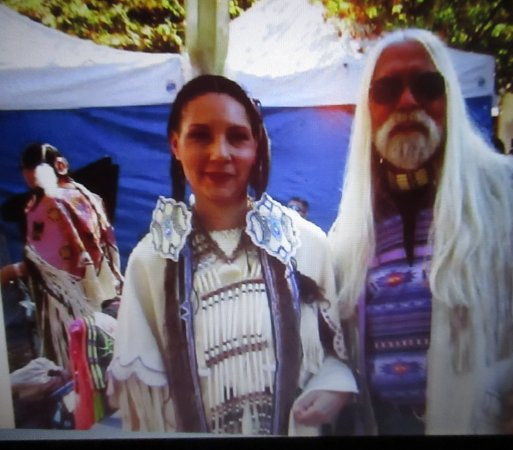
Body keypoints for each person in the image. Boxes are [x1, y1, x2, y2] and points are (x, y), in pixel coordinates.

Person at [328, 28, 513, 435]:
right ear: (369, 108)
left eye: (427, 86)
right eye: (386, 90)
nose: (407, 101)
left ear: (449, 98)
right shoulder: (350, 228)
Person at [107, 74, 356, 435]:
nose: (219, 153)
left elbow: (335, 352)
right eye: (200, 136)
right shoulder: (152, 261)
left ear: (257, 145)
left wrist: (334, 386)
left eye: (237, 137)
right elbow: (142, 399)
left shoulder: (304, 243)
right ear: (175, 144)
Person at [0, 143, 123, 372]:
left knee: (78, 362)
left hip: (68, 302)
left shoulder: (50, 204)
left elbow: (50, 262)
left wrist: (12, 271)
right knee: (101, 353)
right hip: (99, 291)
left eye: (26, 170)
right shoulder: (86, 195)